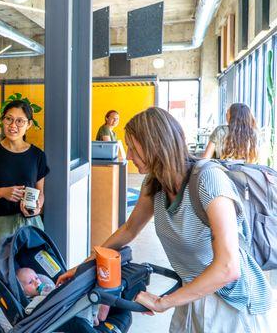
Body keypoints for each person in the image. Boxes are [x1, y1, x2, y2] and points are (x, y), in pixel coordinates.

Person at [58, 107, 274, 332]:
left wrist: (163, 302)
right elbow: (129, 230)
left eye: (133, 147)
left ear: (155, 144)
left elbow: (228, 267)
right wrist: (83, 268)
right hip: (191, 295)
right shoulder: (155, 183)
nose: (129, 156)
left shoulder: (209, 180)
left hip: (233, 304)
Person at [0, 99, 49, 249]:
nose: (13, 125)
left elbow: (40, 192)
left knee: (31, 271)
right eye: (9, 119)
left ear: (29, 125)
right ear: (2, 121)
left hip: (30, 224)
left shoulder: (37, 155)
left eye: (20, 121)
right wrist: (2, 192)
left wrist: (37, 206)